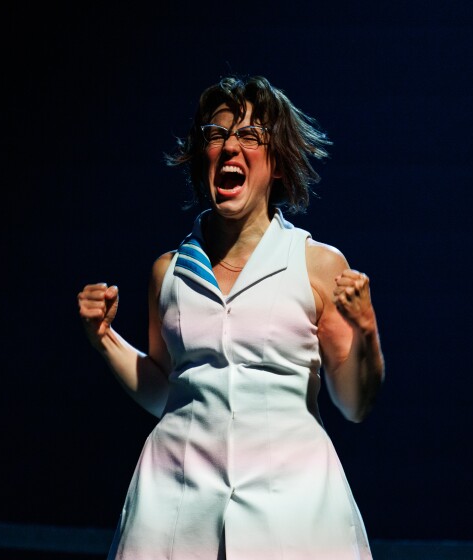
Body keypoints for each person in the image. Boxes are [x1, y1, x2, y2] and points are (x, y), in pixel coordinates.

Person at [77, 75, 385, 560]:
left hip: (294, 510)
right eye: (217, 135)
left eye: (248, 136)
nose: (229, 148)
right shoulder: (170, 272)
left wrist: (366, 331)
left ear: (277, 162)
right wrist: (105, 339)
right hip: (176, 505)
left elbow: (354, 404)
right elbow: (166, 390)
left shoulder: (317, 265)